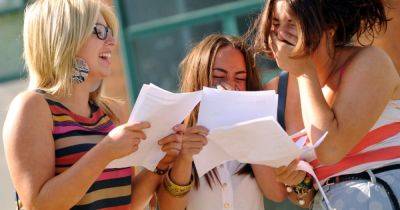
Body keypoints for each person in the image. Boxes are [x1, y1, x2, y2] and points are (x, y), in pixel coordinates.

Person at [2, 0, 182, 209]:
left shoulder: (111, 113)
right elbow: (38, 205)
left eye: (110, 32)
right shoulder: (32, 107)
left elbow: (127, 203)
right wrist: (106, 151)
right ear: (65, 38)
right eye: (100, 31)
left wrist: (162, 162)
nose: (113, 41)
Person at [251, 0, 400, 209]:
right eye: (276, 23)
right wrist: (300, 183)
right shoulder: (276, 91)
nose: (281, 34)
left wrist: (303, 71)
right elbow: (288, 193)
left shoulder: (371, 62)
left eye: (293, 23)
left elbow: (330, 149)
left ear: (329, 28)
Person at [157, 34, 288, 210]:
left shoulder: (256, 127)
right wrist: (185, 158)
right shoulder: (175, 133)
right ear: (199, 78)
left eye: (240, 78)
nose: (230, 86)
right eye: (219, 76)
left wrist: (249, 130)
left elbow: (277, 194)